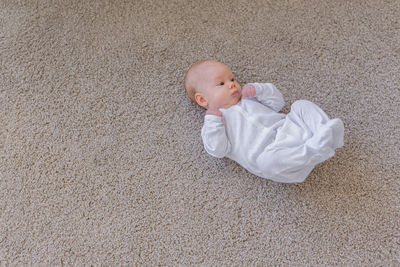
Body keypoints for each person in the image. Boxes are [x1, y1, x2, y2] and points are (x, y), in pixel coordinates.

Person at [184, 60, 344, 183]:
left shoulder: (248, 97)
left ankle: (324, 131)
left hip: (289, 127)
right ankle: (315, 150)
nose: (232, 84)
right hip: (273, 152)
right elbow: (218, 150)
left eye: (232, 78)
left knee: (300, 105)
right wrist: (213, 122)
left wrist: (260, 90)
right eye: (221, 83)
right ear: (202, 99)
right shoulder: (215, 123)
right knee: (267, 163)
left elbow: (277, 104)